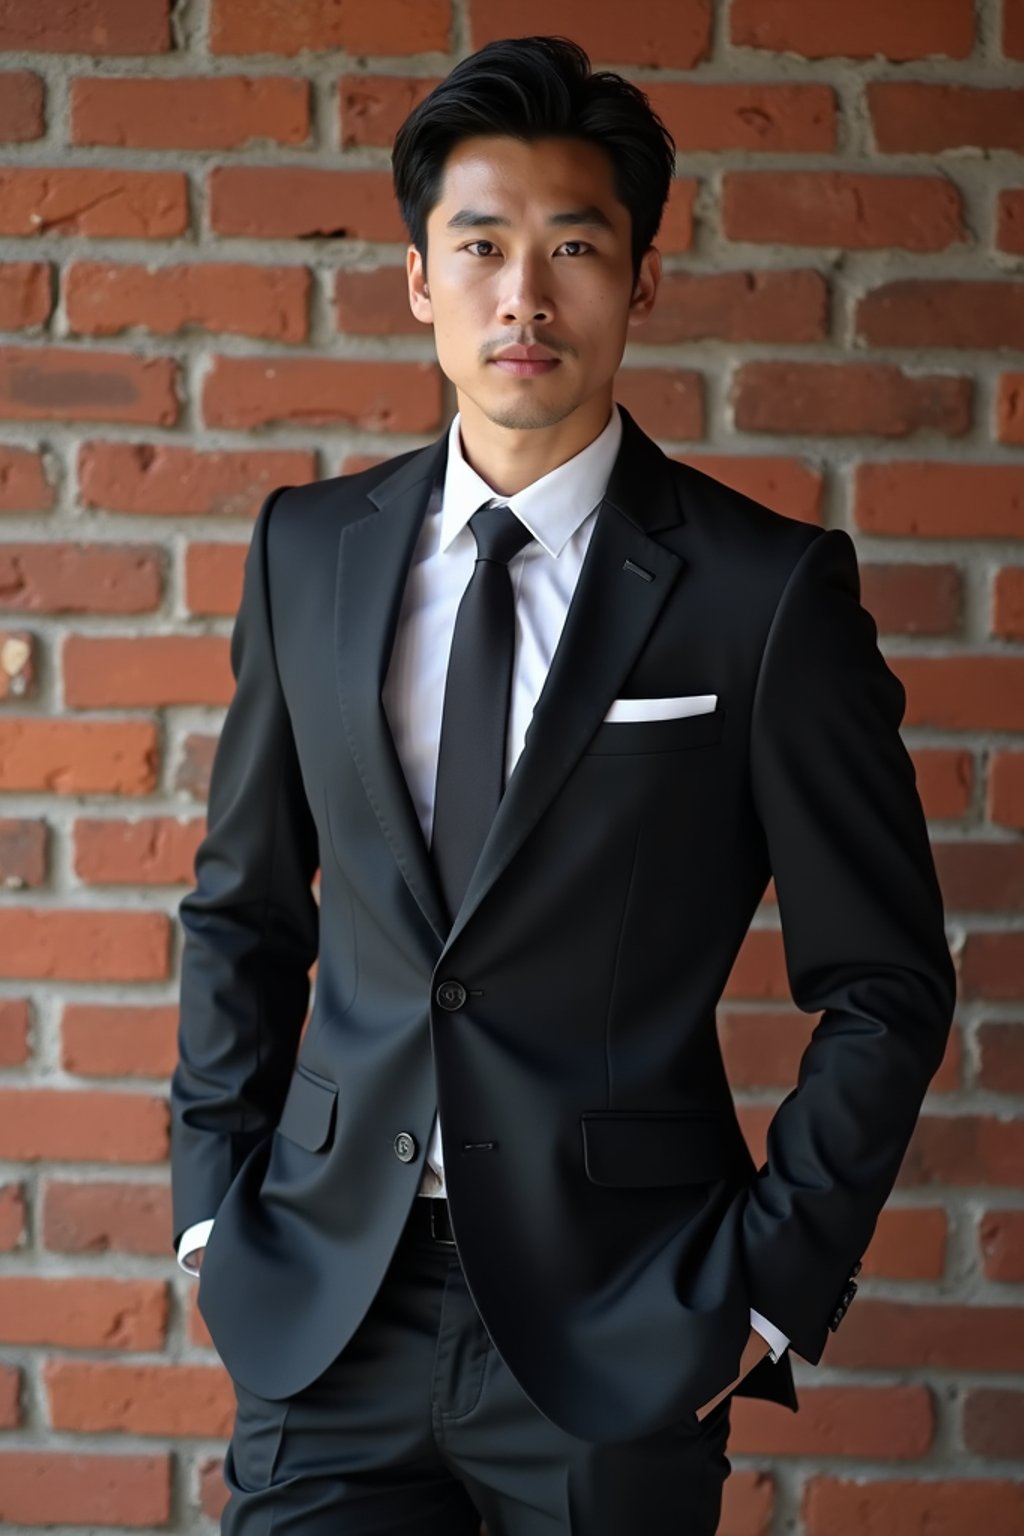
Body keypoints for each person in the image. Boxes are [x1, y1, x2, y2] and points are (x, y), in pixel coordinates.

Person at [169, 34, 956, 1536]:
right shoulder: (306, 552)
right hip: (329, 1308)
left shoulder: (765, 594)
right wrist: (216, 1215)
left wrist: (767, 1293)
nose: (523, 295)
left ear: (642, 279)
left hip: (621, 1321)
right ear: (418, 278)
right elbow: (243, 909)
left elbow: (886, 983)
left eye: (574, 247)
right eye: (479, 246)